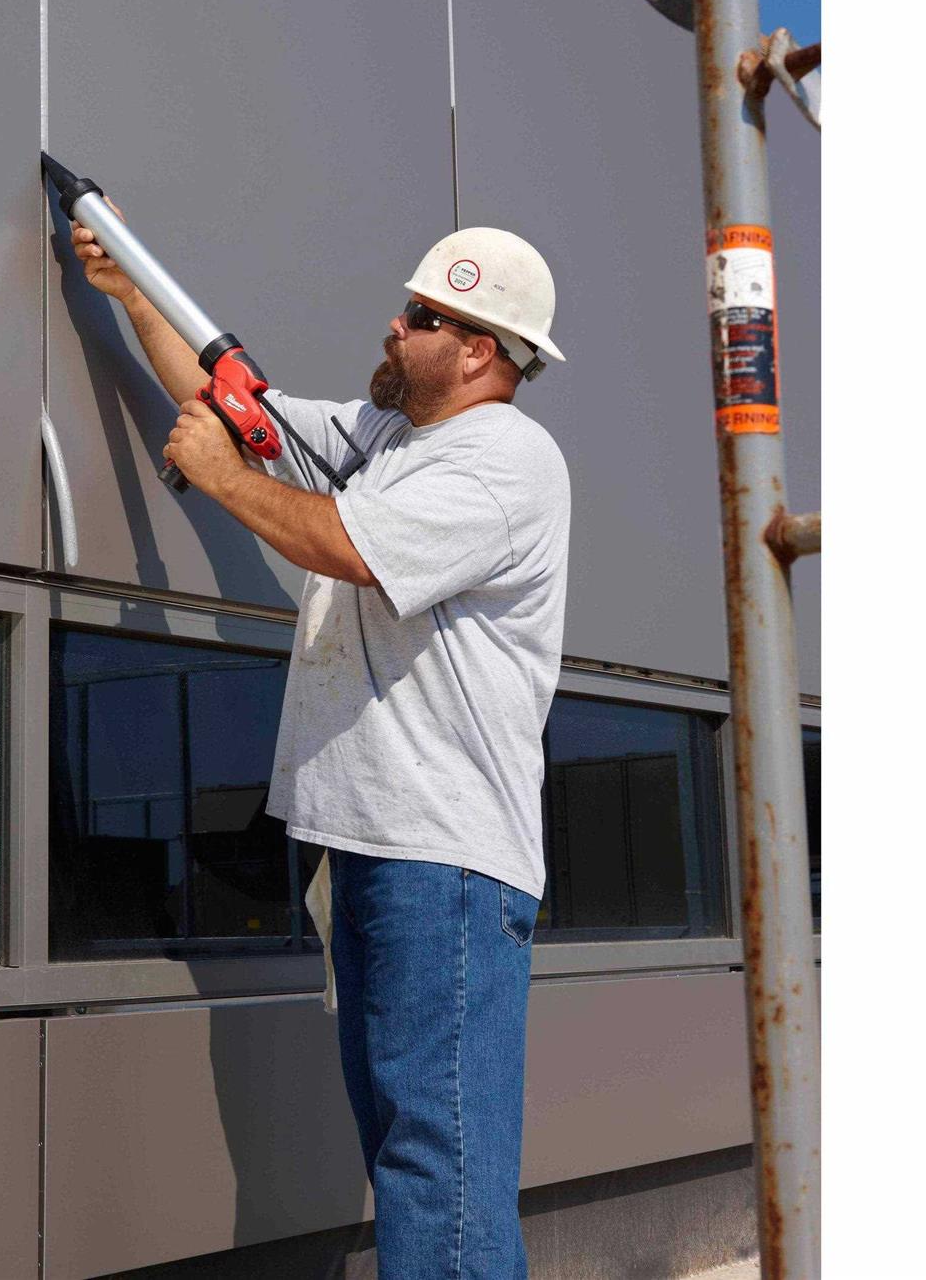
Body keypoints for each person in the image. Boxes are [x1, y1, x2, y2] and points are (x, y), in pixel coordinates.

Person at [73, 206, 571, 1280]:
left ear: (478, 351)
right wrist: (134, 295)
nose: (394, 325)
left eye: (422, 317)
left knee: (439, 1168)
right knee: (411, 1151)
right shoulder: (391, 439)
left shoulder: (504, 461)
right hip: (380, 847)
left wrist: (218, 474)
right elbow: (238, 410)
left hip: (445, 860)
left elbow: (342, 544)